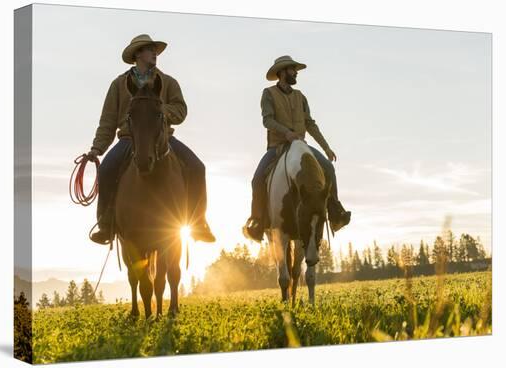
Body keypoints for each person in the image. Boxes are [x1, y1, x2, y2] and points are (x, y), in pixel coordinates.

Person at [87, 34, 216, 244]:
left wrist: (159, 110)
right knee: (107, 170)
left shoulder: (168, 82)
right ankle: (106, 223)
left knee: (197, 167)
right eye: (150, 49)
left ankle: (198, 221)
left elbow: (181, 110)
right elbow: (108, 121)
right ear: (138, 54)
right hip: (129, 138)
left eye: (155, 50)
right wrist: (97, 148)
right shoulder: (119, 84)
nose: (154, 53)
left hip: (162, 137)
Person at [243, 55, 351, 242]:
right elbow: (267, 120)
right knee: (257, 179)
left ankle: (335, 212)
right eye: (293, 70)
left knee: (328, 167)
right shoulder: (268, 94)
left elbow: (310, 123)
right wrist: (286, 133)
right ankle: (257, 221)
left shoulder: (300, 97)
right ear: (282, 72)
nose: (296, 73)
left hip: (301, 146)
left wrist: (326, 147)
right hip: (278, 147)